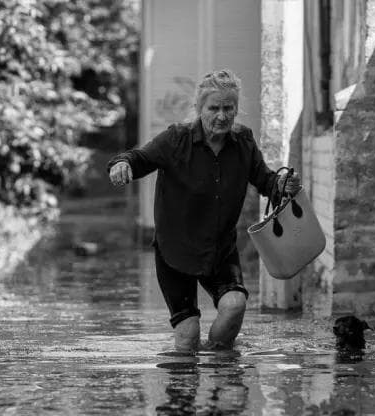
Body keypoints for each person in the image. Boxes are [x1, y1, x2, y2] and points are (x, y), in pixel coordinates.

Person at [108, 69, 300, 351]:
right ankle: (184, 389)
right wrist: (121, 163)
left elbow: (265, 180)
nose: (221, 116)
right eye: (214, 108)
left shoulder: (243, 142)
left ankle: (221, 372)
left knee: (235, 306)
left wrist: (282, 185)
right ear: (199, 109)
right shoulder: (176, 140)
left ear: (236, 109)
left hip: (220, 249)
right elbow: (139, 158)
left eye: (228, 108)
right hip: (176, 251)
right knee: (187, 337)